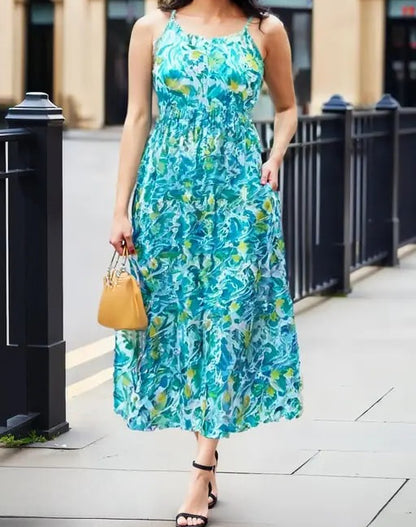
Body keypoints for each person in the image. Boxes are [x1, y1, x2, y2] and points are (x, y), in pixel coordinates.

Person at [109, 1, 304, 525]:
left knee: (225, 324)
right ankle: (209, 455)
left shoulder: (266, 30)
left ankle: (200, 469)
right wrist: (121, 208)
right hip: (167, 198)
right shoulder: (152, 28)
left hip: (240, 196)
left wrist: (276, 155)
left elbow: (288, 108)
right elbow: (137, 117)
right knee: (181, 325)